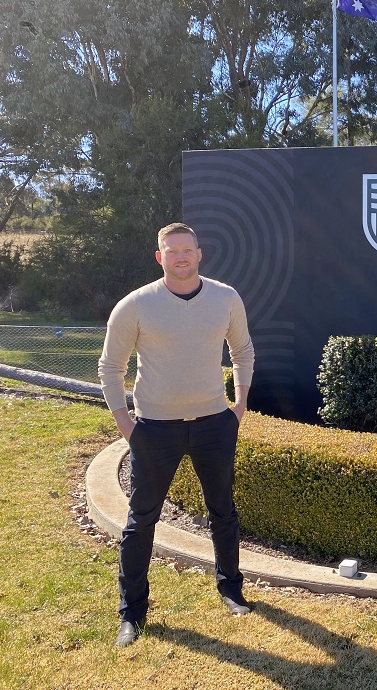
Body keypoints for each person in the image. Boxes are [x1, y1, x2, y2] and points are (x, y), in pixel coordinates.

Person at [98, 222, 255, 648]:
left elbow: (242, 351)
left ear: (199, 254)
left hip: (214, 425)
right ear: (160, 257)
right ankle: (132, 613)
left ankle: (230, 589)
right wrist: (125, 424)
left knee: (222, 511)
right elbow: (110, 368)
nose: (181, 256)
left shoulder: (226, 298)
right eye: (172, 251)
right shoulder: (135, 305)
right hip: (154, 430)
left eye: (188, 249)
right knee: (140, 521)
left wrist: (238, 406)